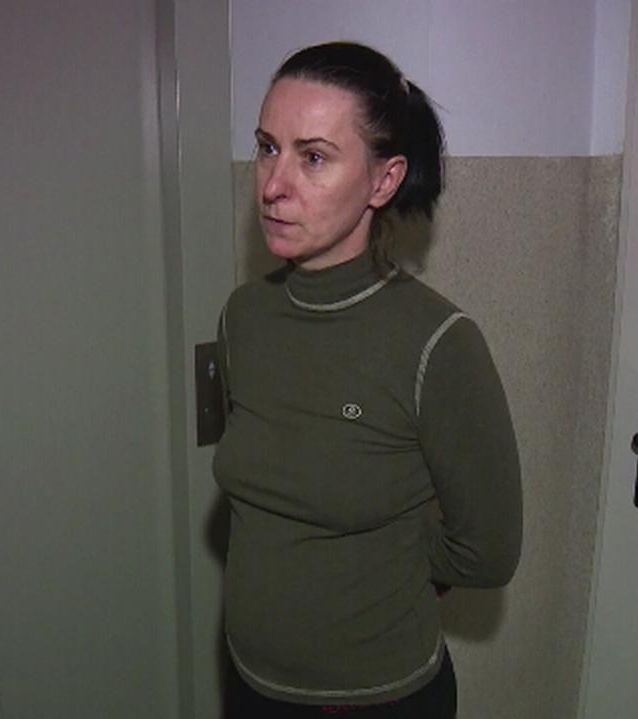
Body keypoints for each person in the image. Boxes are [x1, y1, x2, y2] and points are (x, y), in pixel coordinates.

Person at [214, 41, 522, 718]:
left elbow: (486, 551)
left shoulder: (437, 343)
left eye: (313, 157)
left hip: (375, 700)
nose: (272, 185)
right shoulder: (244, 317)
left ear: (383, 182)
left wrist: (386, 557)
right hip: (249, 682)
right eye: (267, 148)